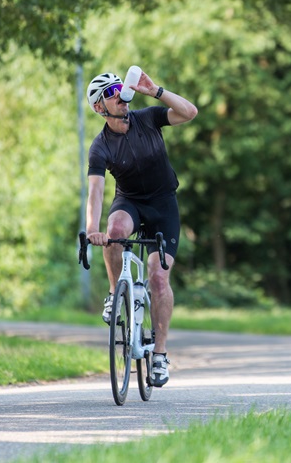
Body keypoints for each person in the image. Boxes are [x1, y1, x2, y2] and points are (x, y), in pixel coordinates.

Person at [84, 69, 198, 387]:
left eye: (121, 88)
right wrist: (92, 228)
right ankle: (113, 292)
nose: (121, 96)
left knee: (158, 278)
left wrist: (156, 90)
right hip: (130, 202)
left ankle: (159, 355)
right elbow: (95, 191)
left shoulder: (147, 118)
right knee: (115, 229)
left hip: (163, 205)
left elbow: (189, 112)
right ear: (99, 107)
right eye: (112, 93)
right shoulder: (100, 147)